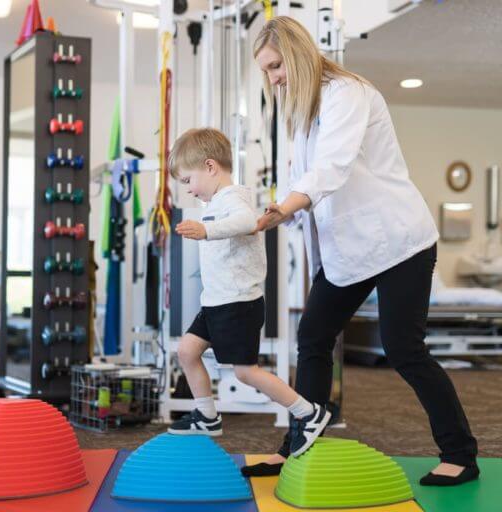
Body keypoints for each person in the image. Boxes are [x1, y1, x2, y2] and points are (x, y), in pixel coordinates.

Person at [241, 16, 479, 486]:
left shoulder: (347, 92)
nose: (272, 80)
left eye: (274, 67)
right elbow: (303, 184)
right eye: (266, 72)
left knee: (404, 348)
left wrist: (285, 206)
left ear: (296, 54)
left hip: (398, 242)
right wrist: (279, 215)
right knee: (312, 338)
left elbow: (332, 168)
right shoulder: (304, 112)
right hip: (348, 251)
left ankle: (461, 455)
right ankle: (299, 444)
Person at [166, 127, 331, 457]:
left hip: (238, 303)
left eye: (188, 180)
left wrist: (206, 230)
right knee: (186, 351)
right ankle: (207, 416)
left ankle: (307, 412)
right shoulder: (214, 201)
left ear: (211, 167)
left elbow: (246, 222)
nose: (189, 190)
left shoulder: (234, 196)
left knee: (245, 372)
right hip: (215, 302)